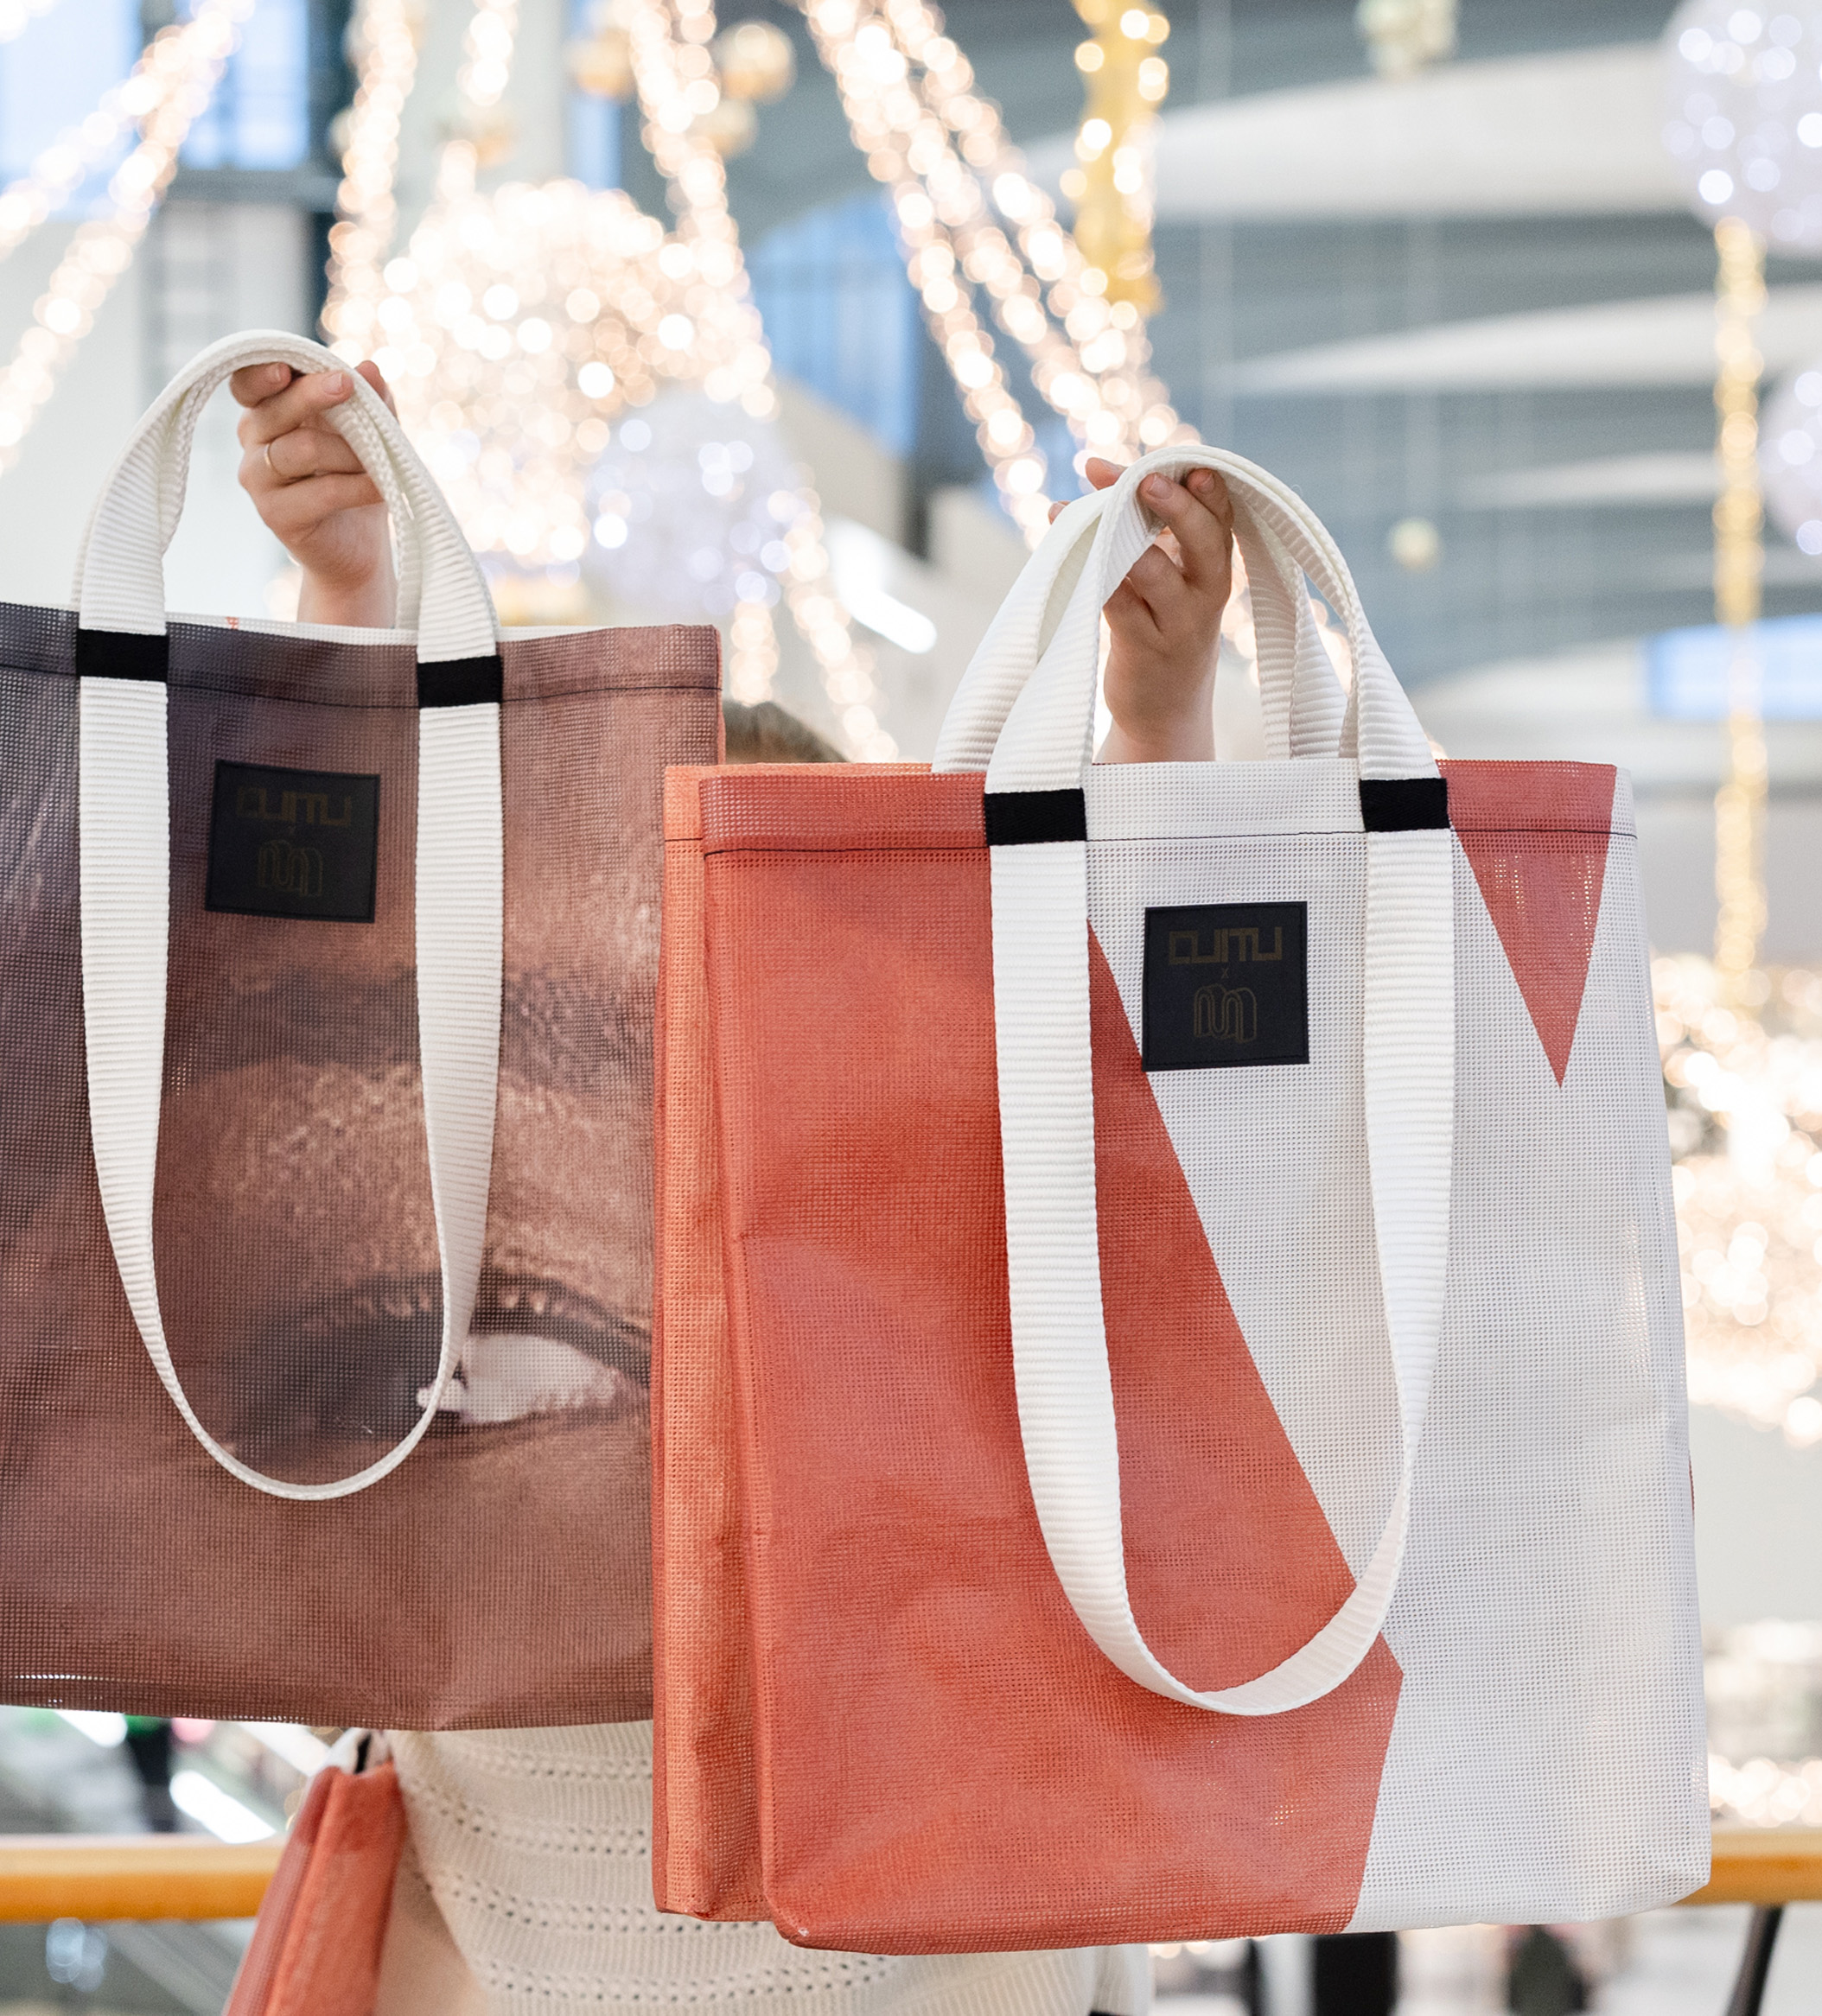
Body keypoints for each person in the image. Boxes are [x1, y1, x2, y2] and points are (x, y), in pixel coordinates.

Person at [229, 359, 1238, 2016]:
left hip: (701, 1951)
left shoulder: (924, 1251)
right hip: (782, 1947)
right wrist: (347, 606)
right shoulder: (476, 1248)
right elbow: (302, 1019)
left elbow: (1152, 1125)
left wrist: (1160, 719)